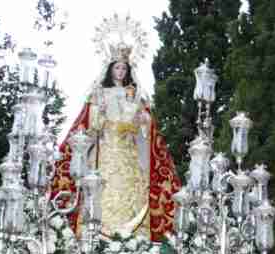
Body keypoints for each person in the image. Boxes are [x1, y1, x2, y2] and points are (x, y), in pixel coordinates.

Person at [52, 42, 181, 242]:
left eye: (124, 68)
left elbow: (147, 128)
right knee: (103, 190)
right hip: (106, 151)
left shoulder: (138, 96)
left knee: (132, 191)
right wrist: (101, 113)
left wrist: (142, 121)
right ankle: (98, 234)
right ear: (111, 69)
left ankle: (131, 238)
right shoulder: (99, 93)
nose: (120, 72)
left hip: (129, 151)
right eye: (117, 67)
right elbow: (91, 127)